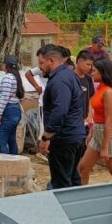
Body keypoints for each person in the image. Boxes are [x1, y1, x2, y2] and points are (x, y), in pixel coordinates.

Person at [38, 45, 86, 189]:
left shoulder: (60, 80)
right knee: (73, 178)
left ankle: (65, 209)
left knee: (62, 184)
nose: (39, 67)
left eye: (41, 63)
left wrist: (46, 137)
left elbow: (60, 110)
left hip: (64, 138)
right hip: (74, 135)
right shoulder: (69, 75)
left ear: (51, 61)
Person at [78, 57, 112, 183]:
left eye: (94, 70)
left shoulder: (109, 92)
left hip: (110, 135)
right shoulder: (100, 88)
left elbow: (109, 122)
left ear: (102, 72)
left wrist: (105, 147)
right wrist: (92, 132)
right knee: (83, 168)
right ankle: (81, 198)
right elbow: (97, 113)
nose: (91, 73)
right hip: (98, 132)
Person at [0, 55, 25, 155]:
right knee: (11, 140)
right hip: (15, 110)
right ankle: (15, 163)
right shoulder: (16, 77)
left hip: (8, 112)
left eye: (3, 63)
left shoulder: (8, 78)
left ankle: (7, 164)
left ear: (6, 65)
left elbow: (4, 97)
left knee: (0, 142)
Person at [74, 50, 96, 124]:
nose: (90, 68)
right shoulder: (70, 77)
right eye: (88, 64)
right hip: (73, 120)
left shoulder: (88, 78)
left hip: (86, 119)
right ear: (79, 61)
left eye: (91, 65)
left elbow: (91, 97)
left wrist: (89, 115)